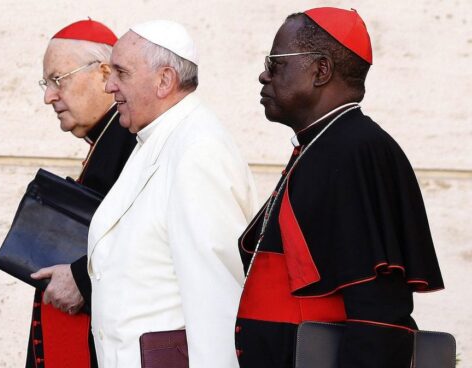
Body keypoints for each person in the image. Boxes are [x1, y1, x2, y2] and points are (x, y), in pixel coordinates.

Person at [234, 7, 444, 368]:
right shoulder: (320, 145)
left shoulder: (358, 150)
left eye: (276, 63)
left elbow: (378, 313)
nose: (263, 75)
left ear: (321, 70)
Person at [88, 20, 257, 368]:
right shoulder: (157, 136)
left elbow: (216, 298)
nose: (109, 86)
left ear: (164, 80)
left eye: (121, 72)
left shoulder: (198, 149)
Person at [25, 19, 137, 368]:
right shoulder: (105, 141)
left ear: (105, 73)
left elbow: (139, 245)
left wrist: (82, 281)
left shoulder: (133, 141)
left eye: (58, 80)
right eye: (46, 83)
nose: (48, 97)